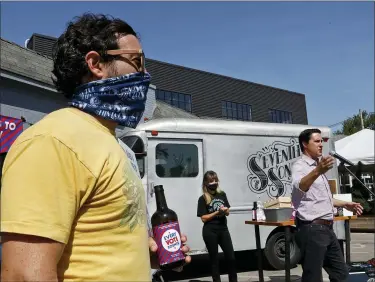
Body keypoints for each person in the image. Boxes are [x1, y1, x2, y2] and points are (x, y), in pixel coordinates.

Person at [0, 13, 190, 282]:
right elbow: (23, 274)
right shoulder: (53, 141)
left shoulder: (117, 146)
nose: (144, 75)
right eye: (137, 62)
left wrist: (151, 256)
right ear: (96, 63)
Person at [291, 128, 363, 282]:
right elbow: (300, 187)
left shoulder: (319, 167)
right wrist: (318, 170)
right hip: (312, 229)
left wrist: (347, 204)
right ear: (304, 144)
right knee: (313, 277)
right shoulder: (300, 165)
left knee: (340, 273)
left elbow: (325, 198)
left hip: (327, 229)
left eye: (322, 141)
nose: (321, 145)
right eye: (316, 141)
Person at [197, 171, 237, 282]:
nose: (214, 183)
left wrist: (225, 211)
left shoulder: (222, 194)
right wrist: (217, 212)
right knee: (214, 260)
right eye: (211, 181)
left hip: (223, 229)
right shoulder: (203, 198)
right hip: (210, 231)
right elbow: (203, 218)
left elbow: (228, 211)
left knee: (231, 258)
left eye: (215, 180)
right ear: (206, 183)